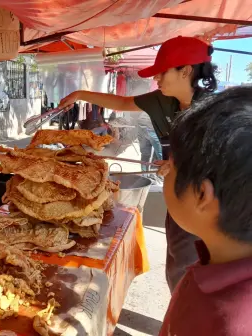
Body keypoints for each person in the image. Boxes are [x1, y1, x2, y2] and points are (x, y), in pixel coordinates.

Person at [58, 36, 218, 292]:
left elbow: (223, 168)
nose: (156, 79)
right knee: (176, 267)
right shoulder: (164, 100)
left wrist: (182, 167)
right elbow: (123, 103)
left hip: (207, 211)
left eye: (162, 73)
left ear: (186, 70)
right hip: (177, 204)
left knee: (195, 276)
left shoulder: (216, 113)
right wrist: (80, 94)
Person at [159, 86, 252, 335]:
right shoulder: (214, 262)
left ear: (201, 194)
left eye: (170, 167)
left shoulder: (232, 324)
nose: (165, 172)